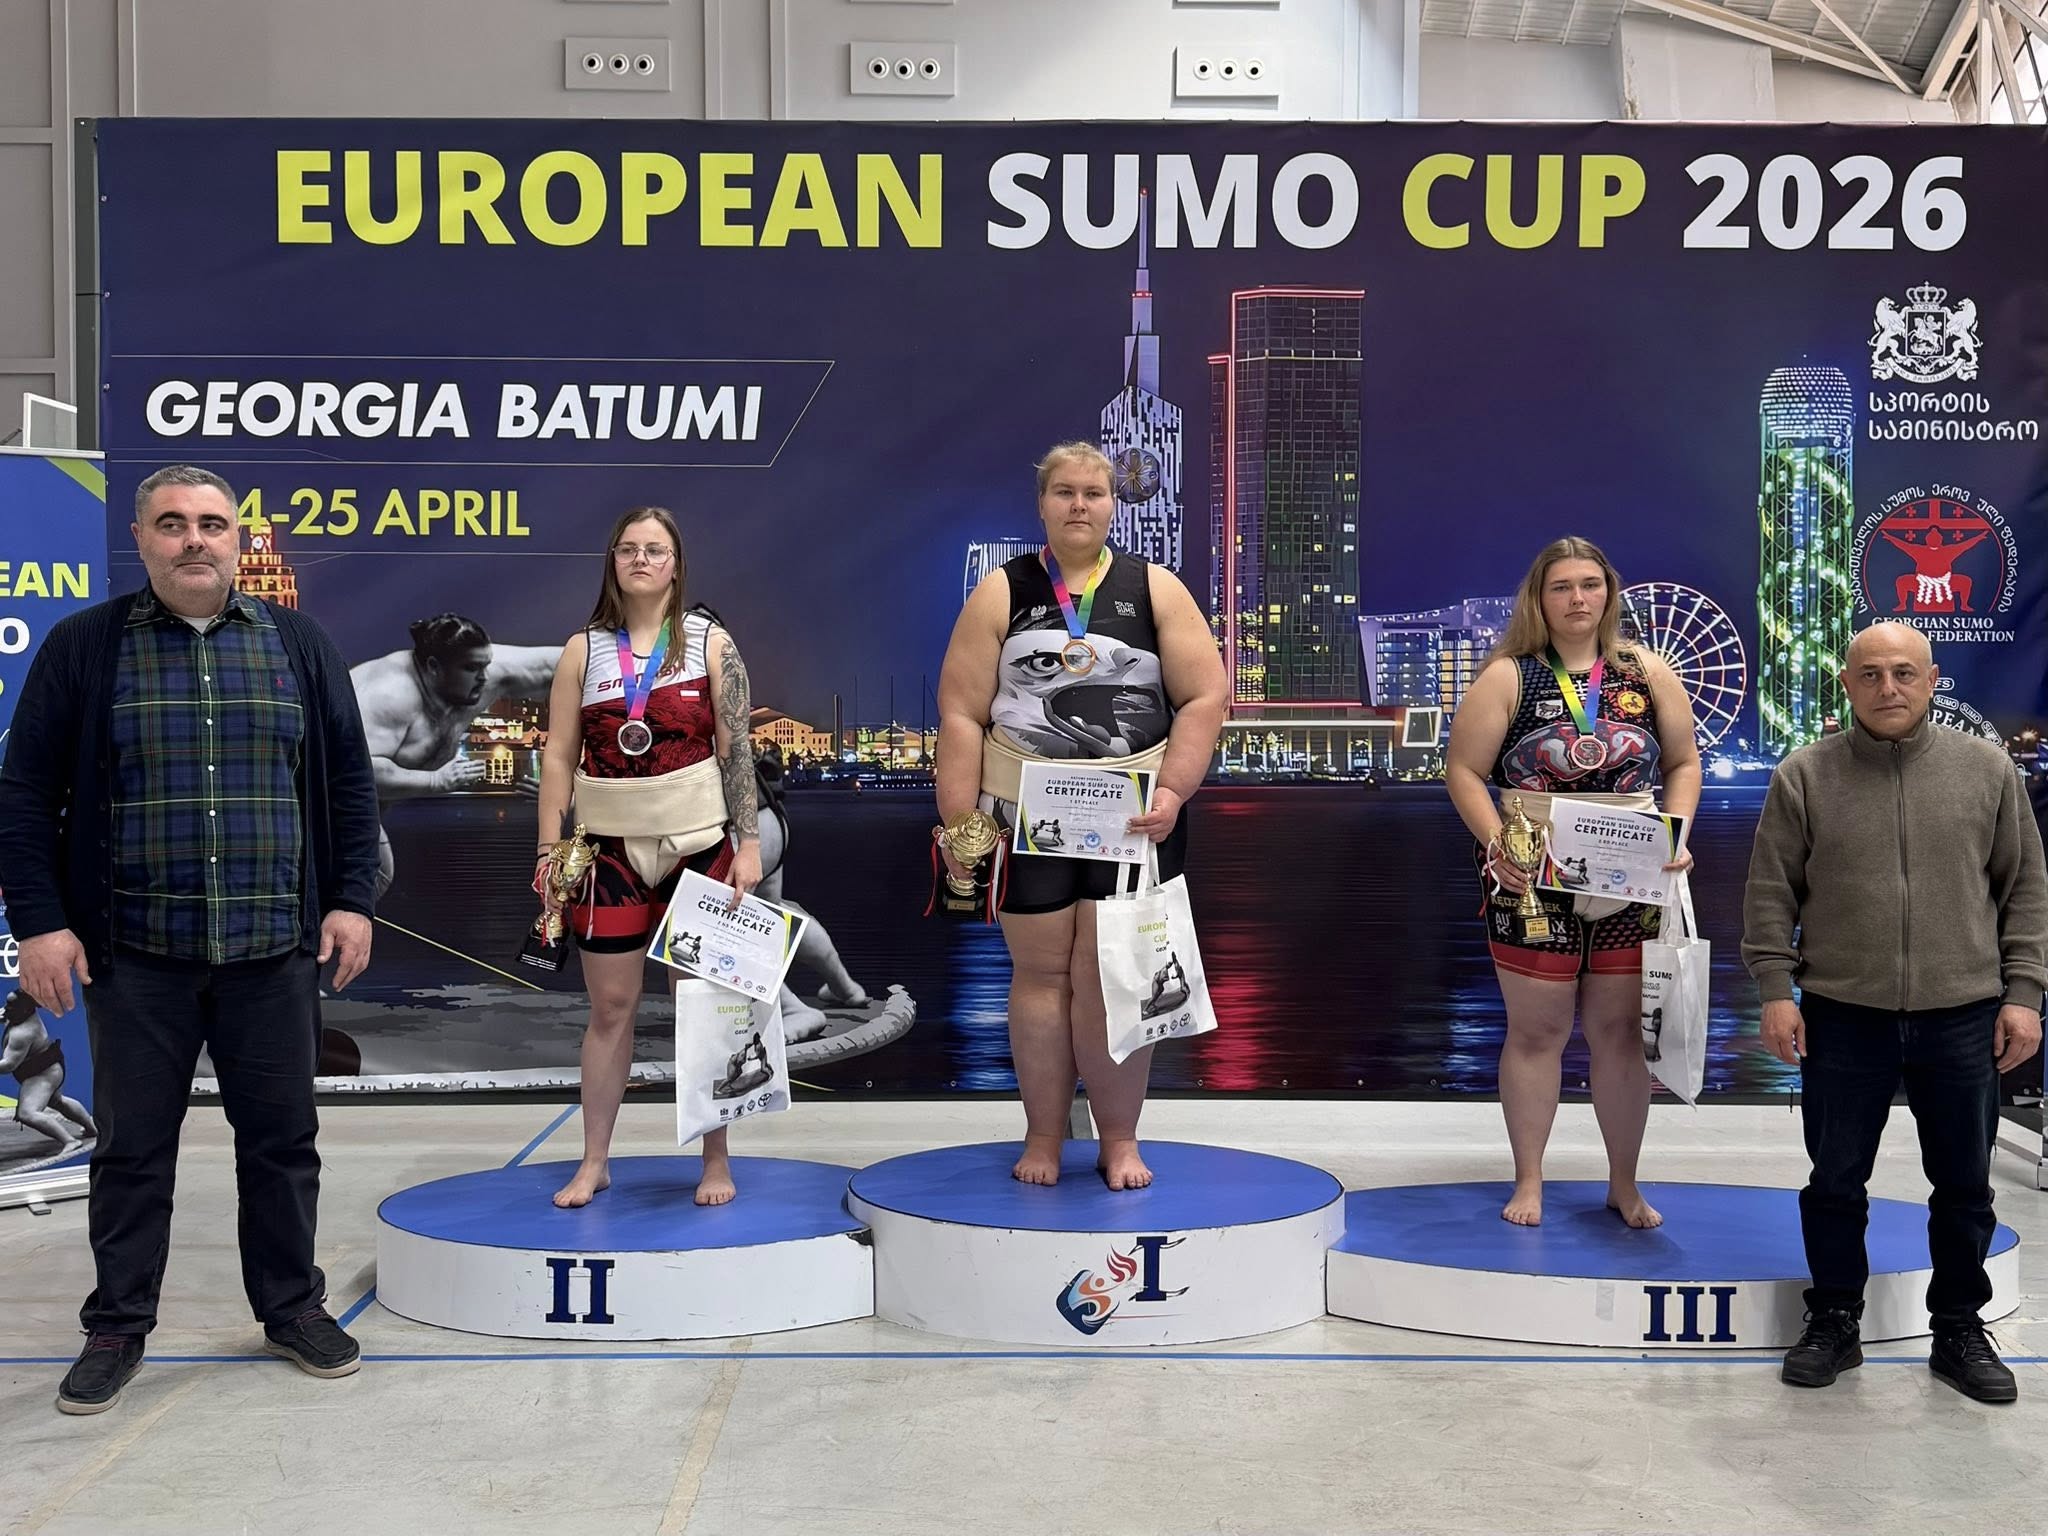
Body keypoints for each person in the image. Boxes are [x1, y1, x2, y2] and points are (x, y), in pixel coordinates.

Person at [0, 463, 379, 1416]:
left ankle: (291, 1308)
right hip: (136, 956)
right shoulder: (86, 647)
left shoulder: (298, 644)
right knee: (132, 1152)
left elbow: (347, 780)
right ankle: (117, 1326)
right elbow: (23, 794)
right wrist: (39, 922)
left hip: (272, 951)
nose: (194, 539)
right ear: (141, 539)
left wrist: (350, 900)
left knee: (283, 1145)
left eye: (212, 523)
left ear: (237, 538)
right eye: (172, 523)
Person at [1743, 620, 2046, 1403]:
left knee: (1965, 1187)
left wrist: (2024, 994)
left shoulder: (1986, 771)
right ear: (1847, 684)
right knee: (1835, 1183)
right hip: (1842, 1015)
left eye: (1904, 673)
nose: (1889, 688)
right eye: (1871, 674)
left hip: (1963, 1014)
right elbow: (1771, 894)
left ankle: (1959, 1329)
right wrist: (1775, 990)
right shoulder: (1804, 775)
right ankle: (1834, 1319)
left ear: (1932, 680)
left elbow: (2025, 890)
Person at [935, 442, 1226, 1189]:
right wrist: (960, 823)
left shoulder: (1155, 587)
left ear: (1113, 506)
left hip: (1134, 818)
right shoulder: (1001, 591)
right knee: (1039, 976)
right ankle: (1042, 1137)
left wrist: (1175, 791)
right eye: (1064, 491)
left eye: (1093, 493)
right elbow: (961, 713)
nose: (1078, 505)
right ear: (1041, 504)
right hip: (1023, 812)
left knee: (1114, 978)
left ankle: (1120, 1138)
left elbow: (1205, 696)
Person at [1445, 536, 1701, 1228]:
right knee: (1537, 1031)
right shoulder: (1509, 676)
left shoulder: (1648, 672)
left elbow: (1682, 763)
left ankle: (1624, 1183)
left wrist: (1677, 833)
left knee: (1620, 1034)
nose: (1578, 598)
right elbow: (1463, 771)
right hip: (1531, 874)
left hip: (1632, 873)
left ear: (1609, 594)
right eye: (1561, 586)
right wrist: (1497, 843)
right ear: (1539, 598)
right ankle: (1529, 1179)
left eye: (1590, 584)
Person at [535, 506, 761, 1209]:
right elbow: (558, 756)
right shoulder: (582, 650)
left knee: (704, 1007)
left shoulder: (713, 644)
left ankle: (715, 1160)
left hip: (701, 847)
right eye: (628, 548)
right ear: (612, 561)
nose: (641, 559)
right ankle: (595, 1161)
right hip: (608, 855)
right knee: (610, 1009)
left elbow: (736, 751)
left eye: (655, 549)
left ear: (675, 563)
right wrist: (548, 849)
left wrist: (750, 844)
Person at [350, 614, 560, 898]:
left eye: (485, 665)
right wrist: (437, 781)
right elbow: (357, 771)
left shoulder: (483, 669)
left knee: (369, 880)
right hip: (317, 794)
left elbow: (565, 664)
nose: (484, 677)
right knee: (370, 877)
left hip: (365, 810)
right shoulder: (389, 694)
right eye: (472, 668)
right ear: (434, 667)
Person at [1, 990, 98, 1150]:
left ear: (24, 1009)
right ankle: (91, 1128)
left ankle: (70, 1141)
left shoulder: (23, 1033)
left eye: (12, 1005)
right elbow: (4, 1015)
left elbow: (9, 1065)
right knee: (57, 1101)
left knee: (27, 1113)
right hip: (50, 1066)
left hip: (42, 1073)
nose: (7, 1008)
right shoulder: (18, 1014)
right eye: (8, 1004)